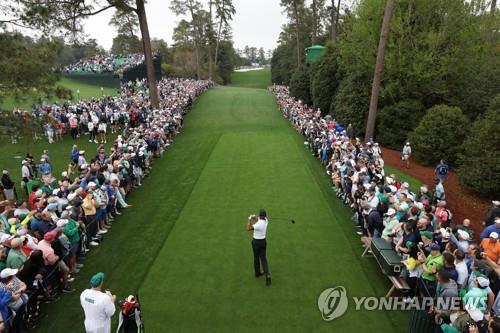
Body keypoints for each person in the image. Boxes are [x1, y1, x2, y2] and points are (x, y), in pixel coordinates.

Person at [247, 208, 271, 286]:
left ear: (260, 216)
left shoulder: (258, 224)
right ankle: (267, 275)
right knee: (263, 259)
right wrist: (255, 216)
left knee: (256, 257)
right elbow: (261, 218)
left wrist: (250, 219)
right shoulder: (266, 221)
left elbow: (249, 228)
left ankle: (257, 273)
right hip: (263, 242)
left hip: (256, 242)